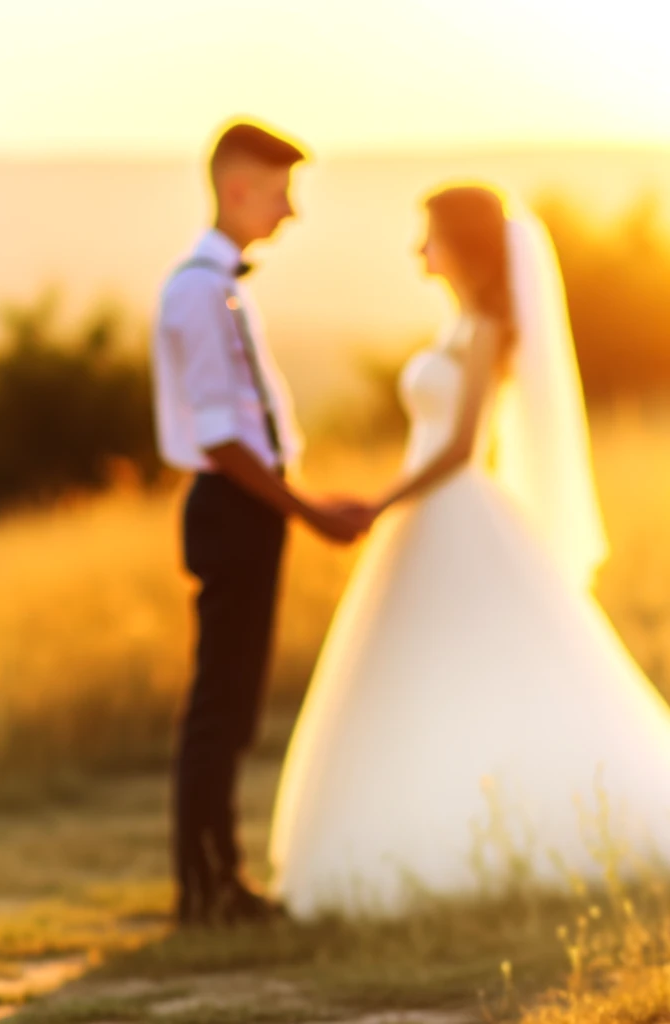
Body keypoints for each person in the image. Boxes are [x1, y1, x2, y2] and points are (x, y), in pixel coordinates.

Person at [269, 184, 670, 919]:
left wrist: (382, 502)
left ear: (461, 243)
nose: (418, 248)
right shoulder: (460, 324)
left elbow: (460, 447)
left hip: (454, 510)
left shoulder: (488, 328)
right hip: (424, 516)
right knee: (417, 674)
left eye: (428, 234)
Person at [151, 120, 366, 927]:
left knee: (236, 703)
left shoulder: (226, 288)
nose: (292, 212)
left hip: (251, 508)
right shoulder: (199, 291)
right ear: (238, 188)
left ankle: (219, 880)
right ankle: (206, 889)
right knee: (220, 704)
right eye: (281, 192)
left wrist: (300, 498)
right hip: (230, 510)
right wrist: (307, 511)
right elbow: (222, 438)